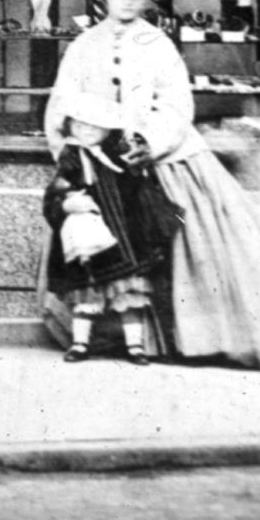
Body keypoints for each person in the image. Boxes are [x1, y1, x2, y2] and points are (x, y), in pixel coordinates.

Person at [45, 0, 260, 371]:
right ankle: (119, 338)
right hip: (101, 171)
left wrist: (149, 140)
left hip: (167, 161)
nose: (128, 1)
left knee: (187, 244)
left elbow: (178, 105)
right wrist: (74, 158)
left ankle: (191, 338)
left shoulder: (159, 44)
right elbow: (61, 106)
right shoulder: (83, 46)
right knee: (106, 252)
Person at [44, 128, 180, 363]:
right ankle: (80, 343)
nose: (86, 131)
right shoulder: (73, 158)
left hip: (123, 234)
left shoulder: (120, 154)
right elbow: (54, 192)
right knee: (86, 294)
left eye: (94, 127)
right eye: (79, 125)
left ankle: (135, 345)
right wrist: (65, 205)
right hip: (88, 237)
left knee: (128, 293)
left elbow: (140, 190)